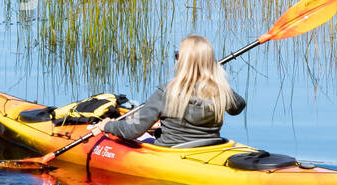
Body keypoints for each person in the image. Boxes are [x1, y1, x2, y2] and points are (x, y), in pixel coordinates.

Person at [89, 35, 246, 147]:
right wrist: (217, 78)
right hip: (207, 147)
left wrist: (107, 126)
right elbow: (238, 107)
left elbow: (131, 131)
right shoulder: (219, 90)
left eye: (178, 56)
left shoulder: (166, 92)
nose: (176, 59)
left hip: (171, 152)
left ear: (183, 63)